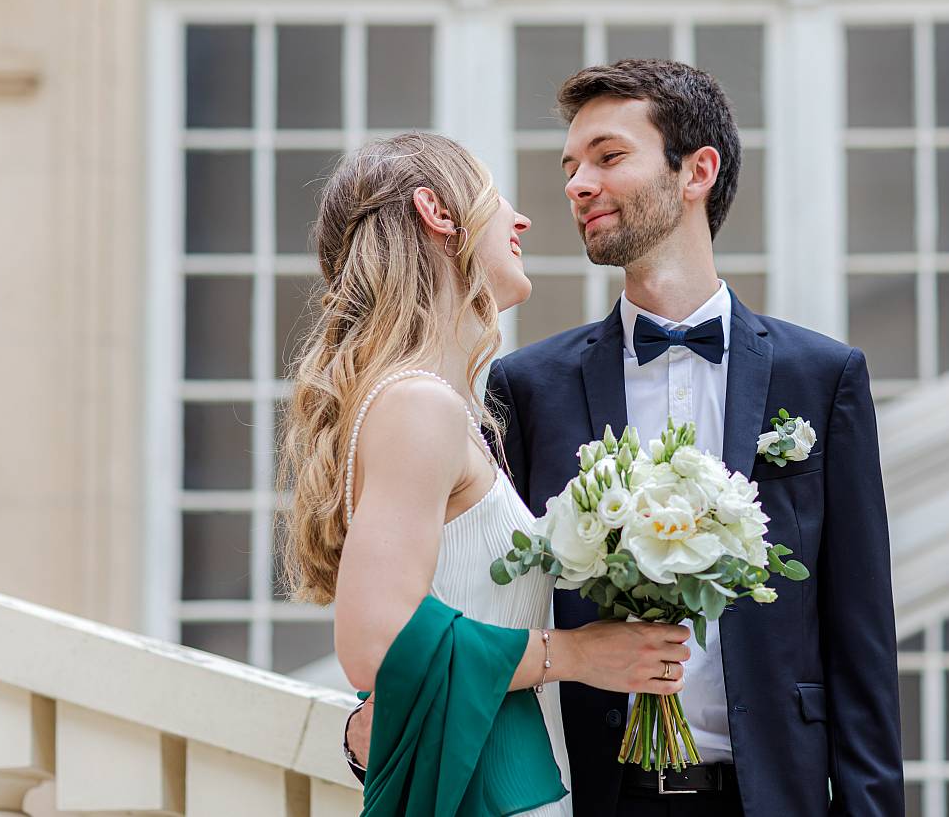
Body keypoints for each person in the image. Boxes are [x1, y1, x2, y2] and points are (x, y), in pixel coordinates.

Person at [348, 62, 904, 815]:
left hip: (776, 796)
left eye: (608, 158)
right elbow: (466, 580)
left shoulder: (823, 376)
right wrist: (376, 716)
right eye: (571, 167)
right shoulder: (527, 388)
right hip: (596, 797)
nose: (577, 185)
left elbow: (861, 636)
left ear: (696, 170)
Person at [278, 132, 691, 816]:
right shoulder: (416, 405)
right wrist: (581, 655)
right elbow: (376, 645)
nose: (521, 220)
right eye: (494, 197)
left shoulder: (422, 403)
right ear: (438, 215)